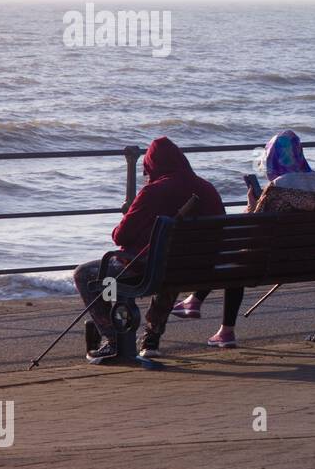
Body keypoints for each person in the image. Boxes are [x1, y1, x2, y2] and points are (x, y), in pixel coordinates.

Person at [171, 130, 315, 347]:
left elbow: (255, 228)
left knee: (234, 259)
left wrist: (252, 204)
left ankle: (213, 319)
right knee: (237, 258)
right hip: (307, 259)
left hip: (268, 262)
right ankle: (200, 308)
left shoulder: (277, 187)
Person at [74, 137, 224, 363]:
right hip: (196, 268)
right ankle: (150, 338)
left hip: (147, 269)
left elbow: (121, 236)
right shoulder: (207, 188)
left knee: (85, 274)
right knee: (169, 264)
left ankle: (113, 337)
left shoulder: (154, 191)